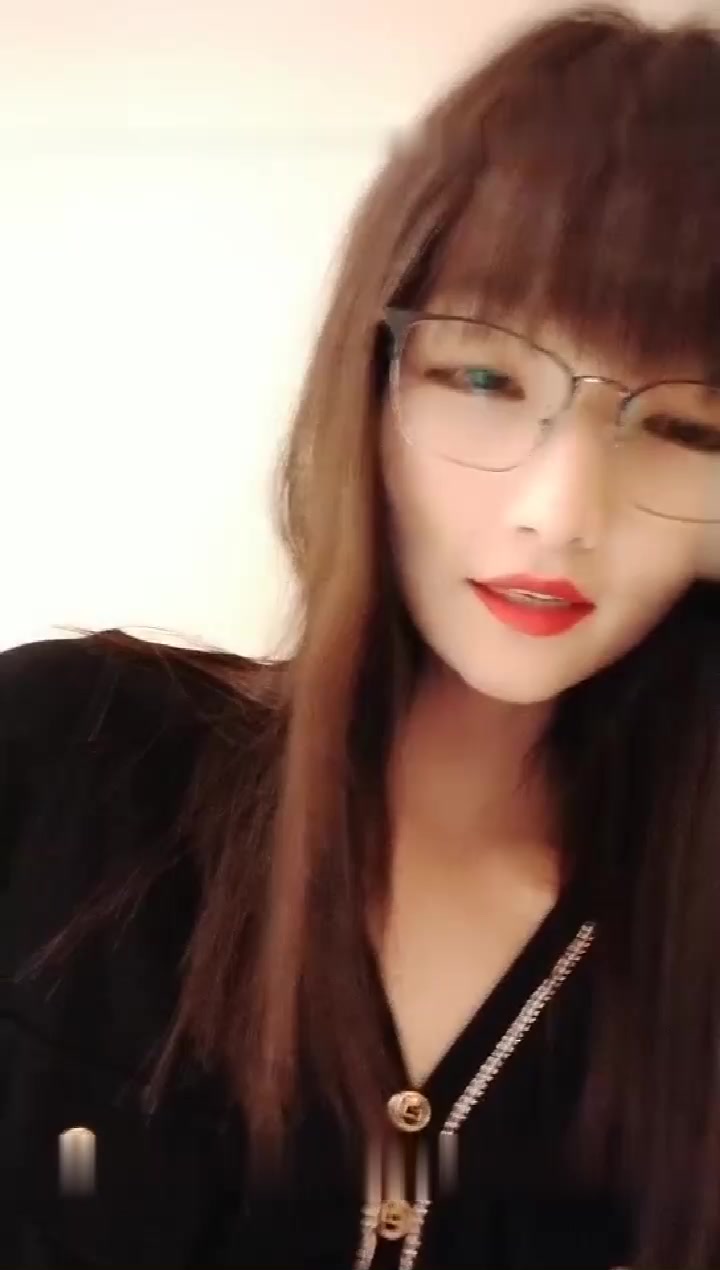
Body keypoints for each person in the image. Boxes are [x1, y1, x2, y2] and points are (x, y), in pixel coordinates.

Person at [3, 5, 720, 1267]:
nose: (559, 512)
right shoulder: (65, 759)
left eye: (687, 428)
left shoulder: (688, 960)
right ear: (371, 383)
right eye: (484, 378)